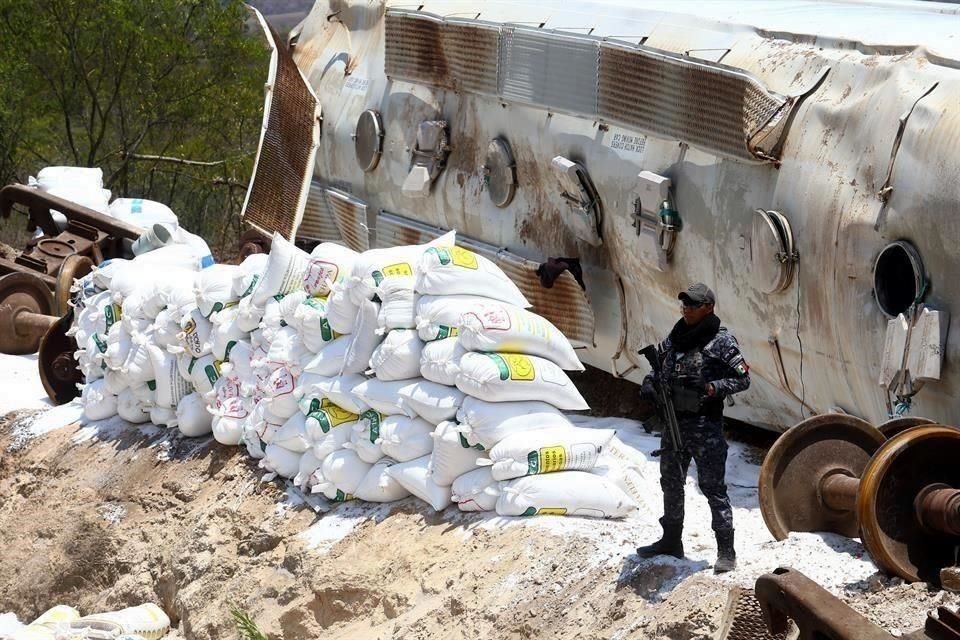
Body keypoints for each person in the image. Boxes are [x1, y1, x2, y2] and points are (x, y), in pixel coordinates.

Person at [636, 283, 750, 573]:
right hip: (674, 423)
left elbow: (743, 378)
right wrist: (649, 383)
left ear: (708, 308)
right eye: (684, 304)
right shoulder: (675, 337)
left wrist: (711, 387)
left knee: (713, 487)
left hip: (704, 425)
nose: (686, 309)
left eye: (693, 304)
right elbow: (658, 368)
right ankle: (671, 540)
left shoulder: (721, 341)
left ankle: (726, 551)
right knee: (671, 482)